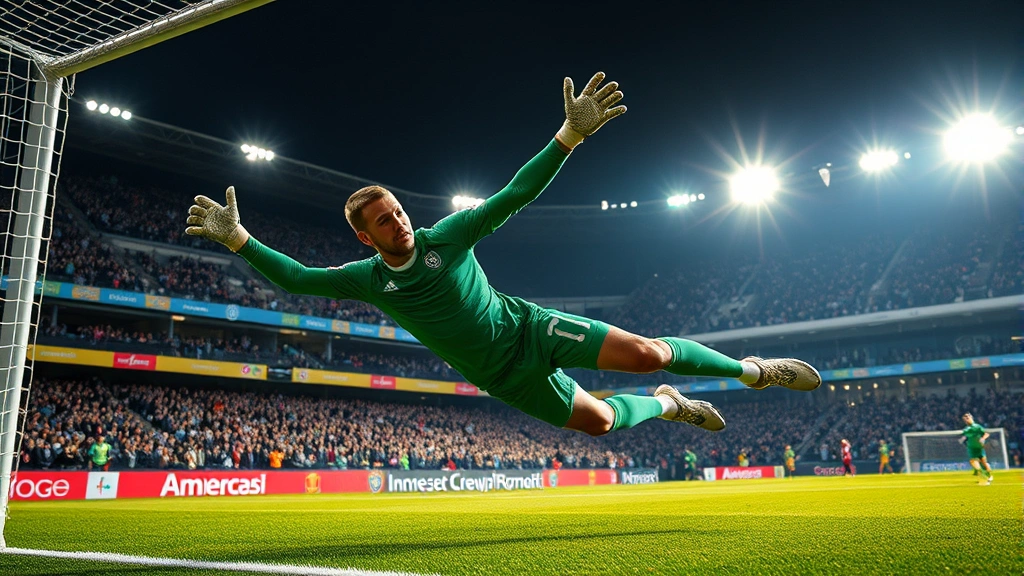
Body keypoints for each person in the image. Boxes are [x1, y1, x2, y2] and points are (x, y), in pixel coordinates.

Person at [184, 72, 821, 438]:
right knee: (599, 422)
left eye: (400, 211)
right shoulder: (368, 279)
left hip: (529, 329)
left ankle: (752, 369)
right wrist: (238, 239)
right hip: (503, 377)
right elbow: (297, 279)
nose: (400, 223)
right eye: (385, 221)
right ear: (366, 237)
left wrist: (568, 135)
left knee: (648, 353)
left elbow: (513, 195)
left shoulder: (447, 238)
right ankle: (671, 404)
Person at [960, 413, 993, 485]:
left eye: (968, 417)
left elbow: (986, 434)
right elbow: (966, 436)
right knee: (973, 462)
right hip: (971, 448)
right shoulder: (966, 429)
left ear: (971, 418)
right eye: (965, 418)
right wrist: (963, 439)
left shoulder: (977, 427)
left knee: (984, 463)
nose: (966, 419)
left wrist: (982, 439)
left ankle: (989, 476)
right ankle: (982, 477)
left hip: (979, 448)